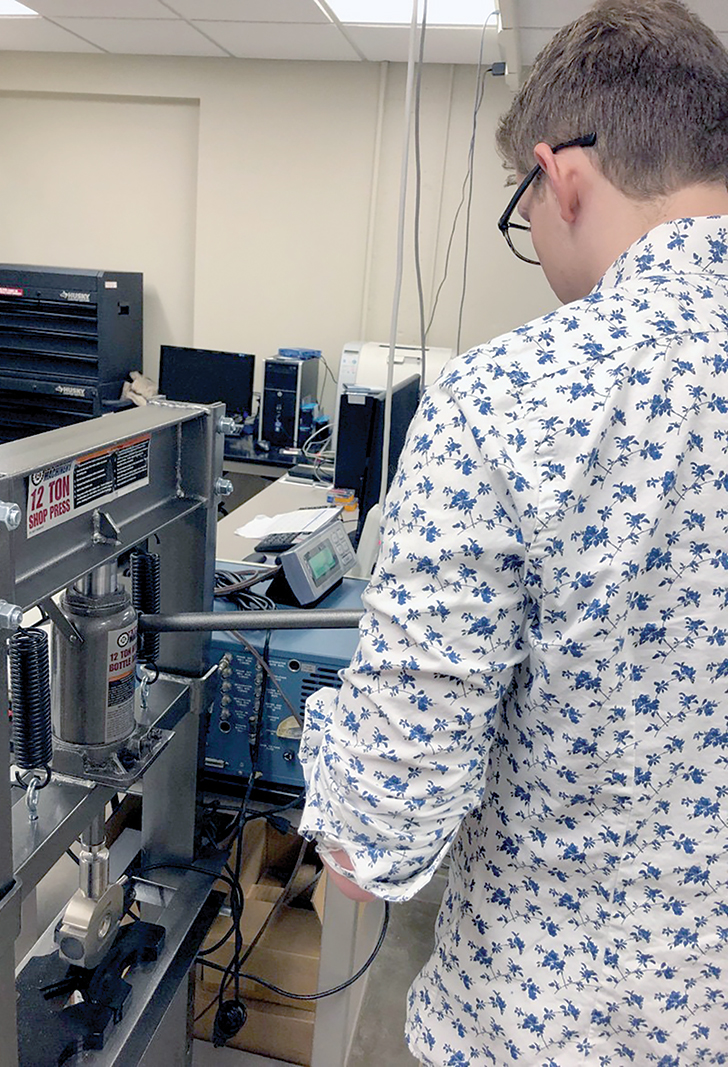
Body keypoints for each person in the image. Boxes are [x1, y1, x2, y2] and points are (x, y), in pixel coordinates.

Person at [298, 1, 728, 1063]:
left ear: (560, 175)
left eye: (521, 211)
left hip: (545, 1024)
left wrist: (324, 743)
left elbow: (378, 833)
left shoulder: (510, 395)